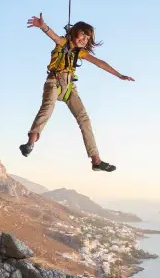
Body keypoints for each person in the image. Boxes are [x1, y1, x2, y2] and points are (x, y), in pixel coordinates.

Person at [20, 13, 134, 172]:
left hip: (69, 87)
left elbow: (100, 63)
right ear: (74, 32)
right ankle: (30, 143)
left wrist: (119, 75)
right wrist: (43, 26)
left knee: (84, 119)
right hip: (54, 82)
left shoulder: (80, 53)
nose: (84, 39)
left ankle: (96, 160)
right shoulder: (63, 43)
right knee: (47, 109)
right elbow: (53, 36)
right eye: (83, 35)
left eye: (88, 38)